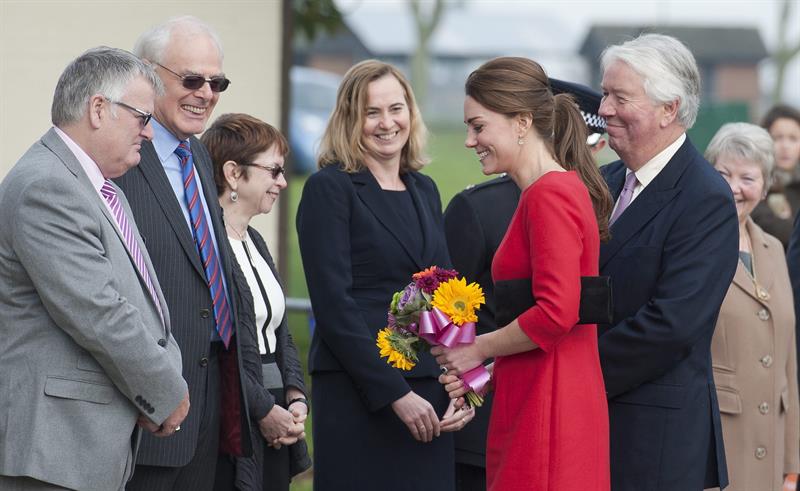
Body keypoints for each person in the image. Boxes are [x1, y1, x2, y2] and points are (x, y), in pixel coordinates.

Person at [0, 47, 188, 491]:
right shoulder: (48, 186)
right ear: (99, 109)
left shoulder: (100, 188)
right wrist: (167, 392)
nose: (147, 133)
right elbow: (98, 311)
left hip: (81, 446)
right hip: (51, 452)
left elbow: (136, 302)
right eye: (143, 118)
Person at [433, 56, 612, 491]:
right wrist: (487, 377)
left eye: (478, 126)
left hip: (548, 409)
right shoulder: (551, 190)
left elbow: (556, 314)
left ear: (521, 122)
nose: (469, 141)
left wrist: (475, 350)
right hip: (541, 393)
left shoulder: (548, 195)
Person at [296, 59, 475, 491]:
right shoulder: (330, 189)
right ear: (350, 119)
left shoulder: (424, 189)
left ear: (411, 114)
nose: (386, 123)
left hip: (428, 395)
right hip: (363, 395)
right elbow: (334, 308)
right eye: (371, 112)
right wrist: (395, 394)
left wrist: (468, 387)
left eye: (396, 109)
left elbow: (449, 295)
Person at [114, 17, 256, 490]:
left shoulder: (195, 154)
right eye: (192, 79)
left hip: (212, 394)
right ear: (147, 74)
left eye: (217, 82)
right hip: (148, 400)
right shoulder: (121, 157)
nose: (207, 93)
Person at [596, 33, 739, 490]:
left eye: (620, 97)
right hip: (591, 425)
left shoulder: (705, 198)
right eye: (604, 93)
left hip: (653, 438)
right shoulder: (602, 182)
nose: (604, 108)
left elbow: (671, 323)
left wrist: (574, 373)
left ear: (668, 109)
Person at [201, 113, 311, 490]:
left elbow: (280, 331)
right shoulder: (207, 246)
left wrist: (296, 397)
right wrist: (262, 408)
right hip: (237, 411)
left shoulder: (255, 242)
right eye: (274, 170)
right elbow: (215, 348)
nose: (282, 182)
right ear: (233, 173)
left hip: (277, 407)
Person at [704, 122, 800, 491]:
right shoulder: (693, 246)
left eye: (747, 177)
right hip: (718, 446)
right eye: (722, 174)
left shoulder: (774, 249)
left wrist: (791, 466)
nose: (733, 188)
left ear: (765, 187)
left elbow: (787, 361)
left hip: (771, 447)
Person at [751, 104, 800, 248]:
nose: (785, 146)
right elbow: (764, 225)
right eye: (778, 138)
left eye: (793, 139)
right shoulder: (754, 180)